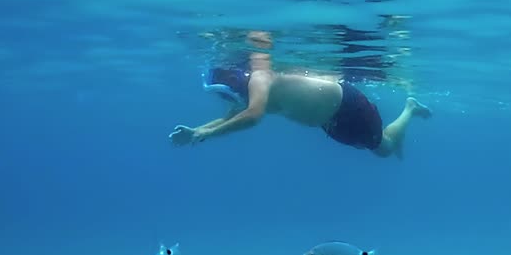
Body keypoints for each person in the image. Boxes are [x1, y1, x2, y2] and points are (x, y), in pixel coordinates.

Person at [169, 31, 431, 158]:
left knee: (383, 149)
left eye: (222, 84)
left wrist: (204, 134)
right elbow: (231, 117)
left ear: (231, 72)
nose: (226, 97)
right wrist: (196, 131)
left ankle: (409, 108)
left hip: (348, 109)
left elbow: (253, 117)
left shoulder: (259, 78)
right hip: (330, 121)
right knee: (380, 148)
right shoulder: (246, 93)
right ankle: (407, 113)